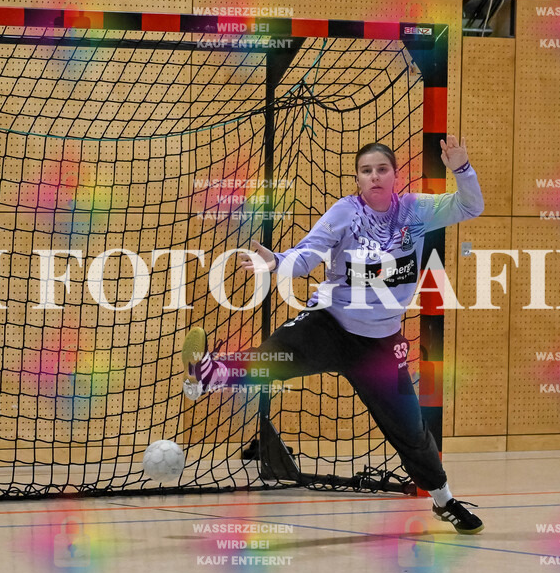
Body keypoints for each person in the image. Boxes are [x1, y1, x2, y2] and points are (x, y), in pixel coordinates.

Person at [182, 135, 486, 534]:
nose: (374, 176)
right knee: (275, 357)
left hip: (380, 344)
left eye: (382, 169)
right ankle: (210, 374)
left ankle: (444, 500)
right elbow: (308, 253)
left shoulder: (416, 211)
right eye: (366, 171)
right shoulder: (344, 213)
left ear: (395, 175)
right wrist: (277, 262)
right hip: (331, 324)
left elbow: (470, 205)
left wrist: (462, 168)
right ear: (358, 179)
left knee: (411, 431)